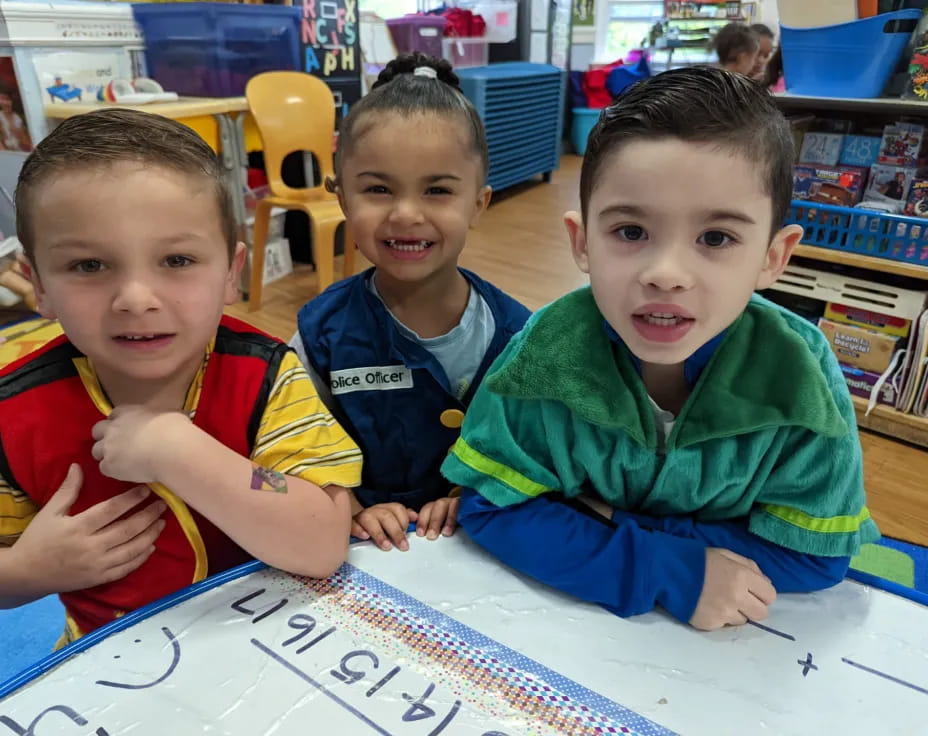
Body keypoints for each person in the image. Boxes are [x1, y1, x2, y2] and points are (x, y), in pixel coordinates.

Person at [442, 67, 879, 632]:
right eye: (630, 232)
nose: (666, 274)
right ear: (582, 242)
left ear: (774, 256)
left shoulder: (800, 371)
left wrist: (607, 522)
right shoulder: (545, 354)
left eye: (716, 238)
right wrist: (661, 567)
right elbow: (490, 504)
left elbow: (816, 554)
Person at [0, 109, 362, 643]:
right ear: (40, 286)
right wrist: (30, 571)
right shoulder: (16, 412)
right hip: (113, 671)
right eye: (89, 266)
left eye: (176, 260)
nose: (136, 300)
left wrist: (178, 449)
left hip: (281, 652)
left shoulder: (265, 375)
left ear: (231, 274)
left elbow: (322, 540)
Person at [292, 53, 529, 553]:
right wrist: (352, 507)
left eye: (438, 190)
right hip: (364, 555)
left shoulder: (517, 334)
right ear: (342, 200)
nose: (405, 214)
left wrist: (474, 490)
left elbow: (531, 445)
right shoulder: (321, 334)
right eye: (378, 189)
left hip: (485, 548)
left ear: (478, 204)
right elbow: (297, 444)